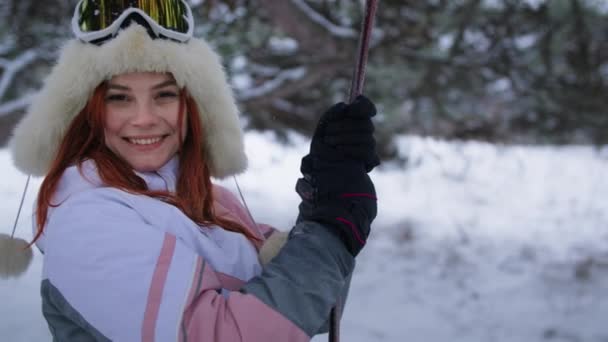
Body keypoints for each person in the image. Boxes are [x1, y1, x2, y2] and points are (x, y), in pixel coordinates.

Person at [7, 0, 379, 340]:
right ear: (89, 113)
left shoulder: (214, 204)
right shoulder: (87, 222)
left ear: (194, 107)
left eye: (165, 95)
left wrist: (325, 193)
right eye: (118, 98)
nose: (144, 119)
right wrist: (331, 229)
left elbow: (311, 309)